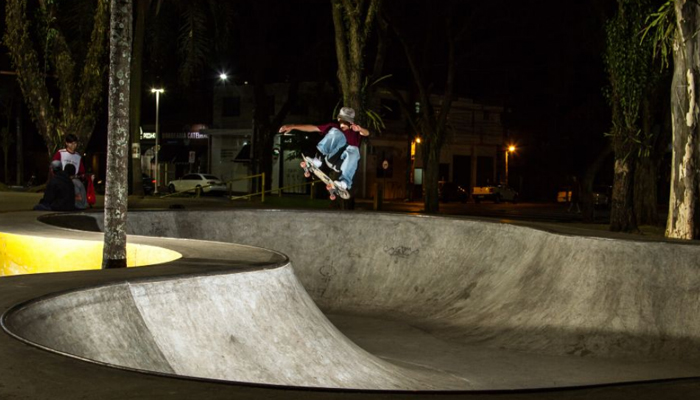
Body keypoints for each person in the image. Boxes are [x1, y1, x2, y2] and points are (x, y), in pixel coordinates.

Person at [278, 107, 370, 191]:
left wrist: (360, 129)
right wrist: (293, 126)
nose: (342, 124)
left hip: (343, 164)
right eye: (341, 121)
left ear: (351, 123)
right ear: (338, 119)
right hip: (331, 157)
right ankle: (318, 160)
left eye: (345, 122)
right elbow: (313, 128)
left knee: (355, 150)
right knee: (337, 132)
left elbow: (366, 133)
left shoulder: (355, 131)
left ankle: (344, 183)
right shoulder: (335, 126)